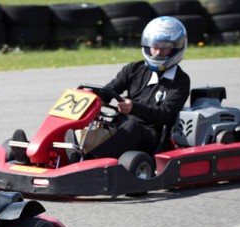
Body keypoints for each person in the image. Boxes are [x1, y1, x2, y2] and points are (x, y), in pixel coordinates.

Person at [74, 16, 191, 160]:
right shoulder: (134, 69)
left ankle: (91, 161)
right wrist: (91, 99)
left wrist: (133, 107)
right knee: (96, 124)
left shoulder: (180, 80)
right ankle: (71, 152)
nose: (158, 52)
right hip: (123, 127)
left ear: (176, 48)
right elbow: (109, 90)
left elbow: (166, 115)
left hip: (153, 137)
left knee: (132, 127)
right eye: (155, 46)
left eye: (165, 47)